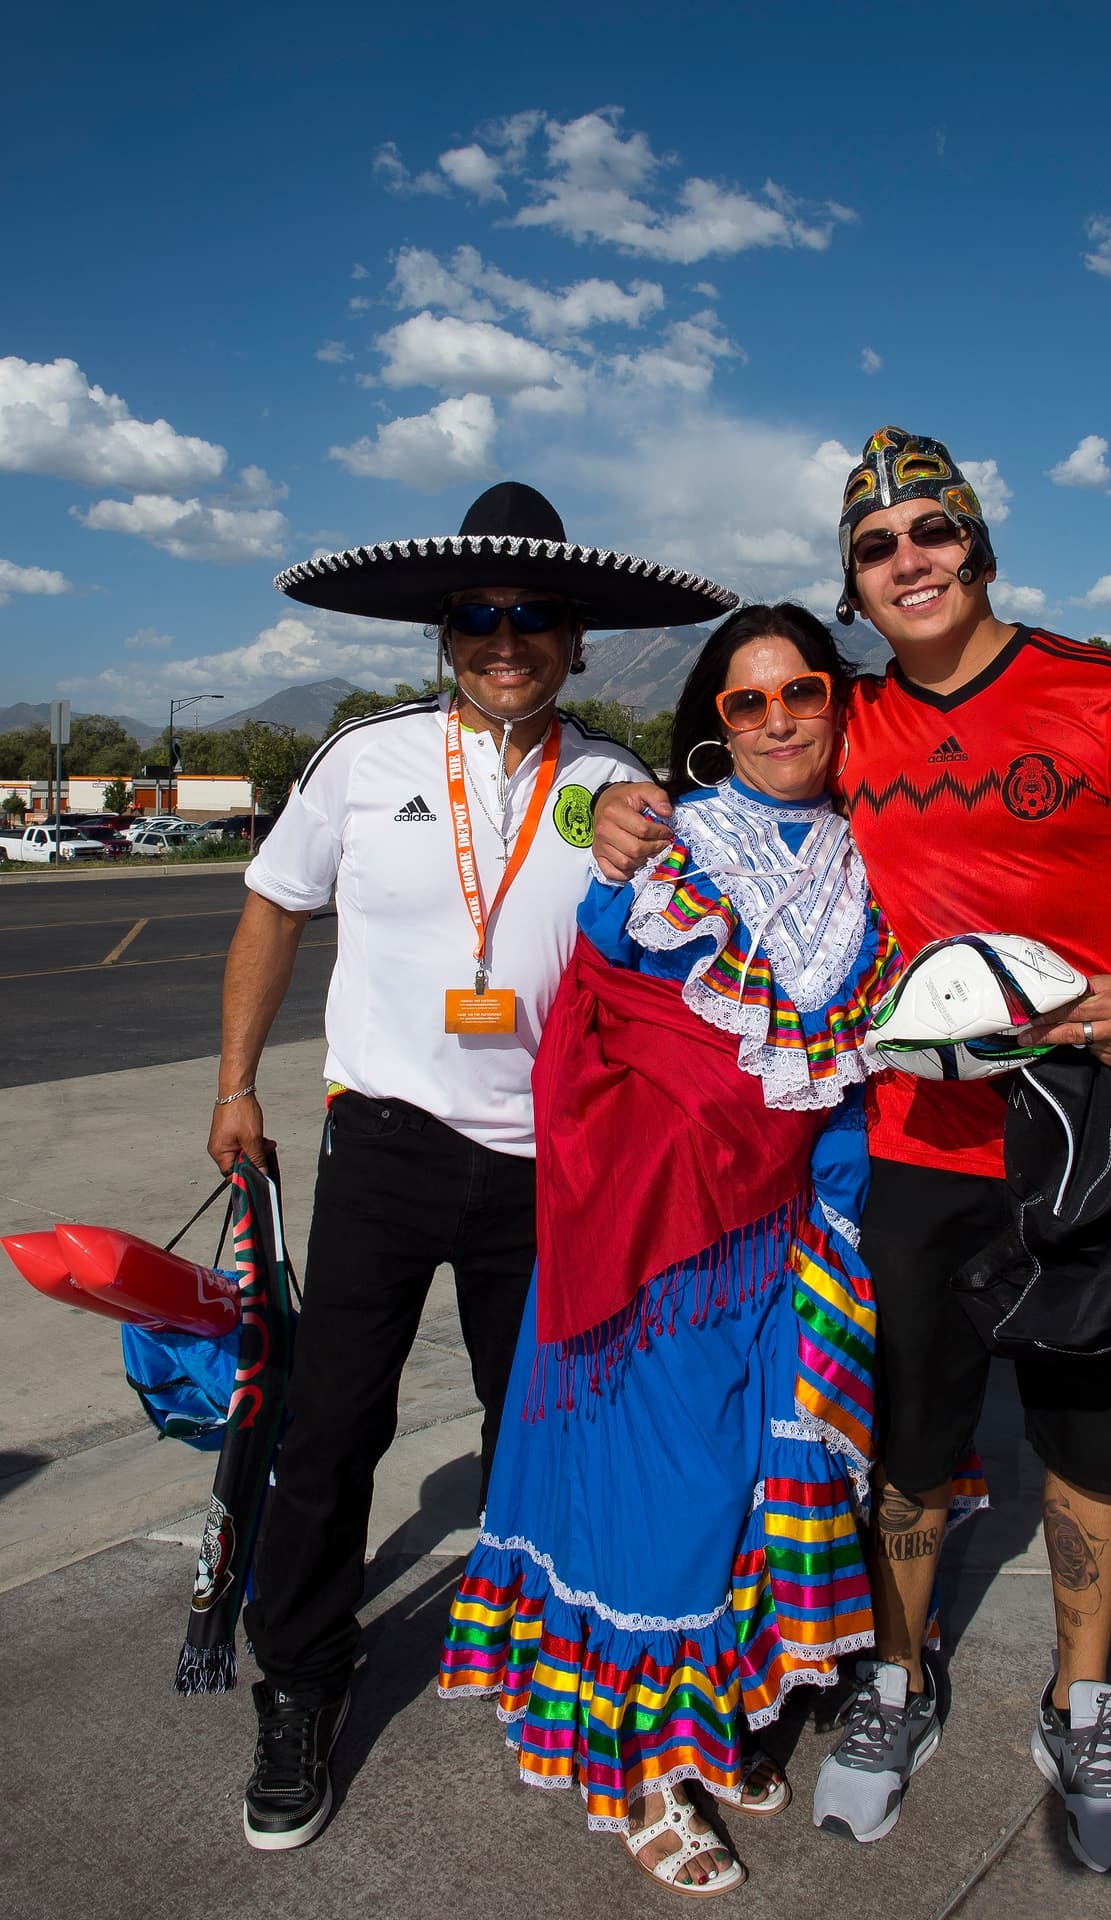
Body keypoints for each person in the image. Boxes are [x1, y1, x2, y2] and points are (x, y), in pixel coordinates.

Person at [591, 427, 1111, 1875]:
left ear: (978, 543)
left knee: (1095, 1443)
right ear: (854, 583)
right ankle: (896, 1679)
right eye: (878, 548)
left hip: (1084, 1138)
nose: (910, 562)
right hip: (909, 1149)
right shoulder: (854, 722)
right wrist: (622, 805)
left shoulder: (1105, 691)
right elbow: (738, 795)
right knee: (908, 1446)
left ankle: (1083, 1703)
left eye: (931, 533)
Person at [207, 481, 736, 1852]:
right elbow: (273, 908)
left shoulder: (619, 783)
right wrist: (233, 1086)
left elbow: (679, 967)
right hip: (382, 1138)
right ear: (448, 633)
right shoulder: (362, 761)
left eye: (536, 618)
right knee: (331, 1430)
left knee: (540, 1430)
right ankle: (304, 1682)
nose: (508, 639)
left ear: (572, 637)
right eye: (482, 618)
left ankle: (537, 1666)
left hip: (549, 1163)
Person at [438, 604, 969, 1897]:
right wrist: (614, 871)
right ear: (712, 724)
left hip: (790, 1237)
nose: (779, 719)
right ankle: (636, 1777)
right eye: (747, 702)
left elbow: (850, 1070)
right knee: (667, 1510)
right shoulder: (674, 842)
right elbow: (607, 984)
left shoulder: (865, 865)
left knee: (747, 1495)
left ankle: (699, 1720)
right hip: (668, 1240)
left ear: (837, 705)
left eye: (801, 694)